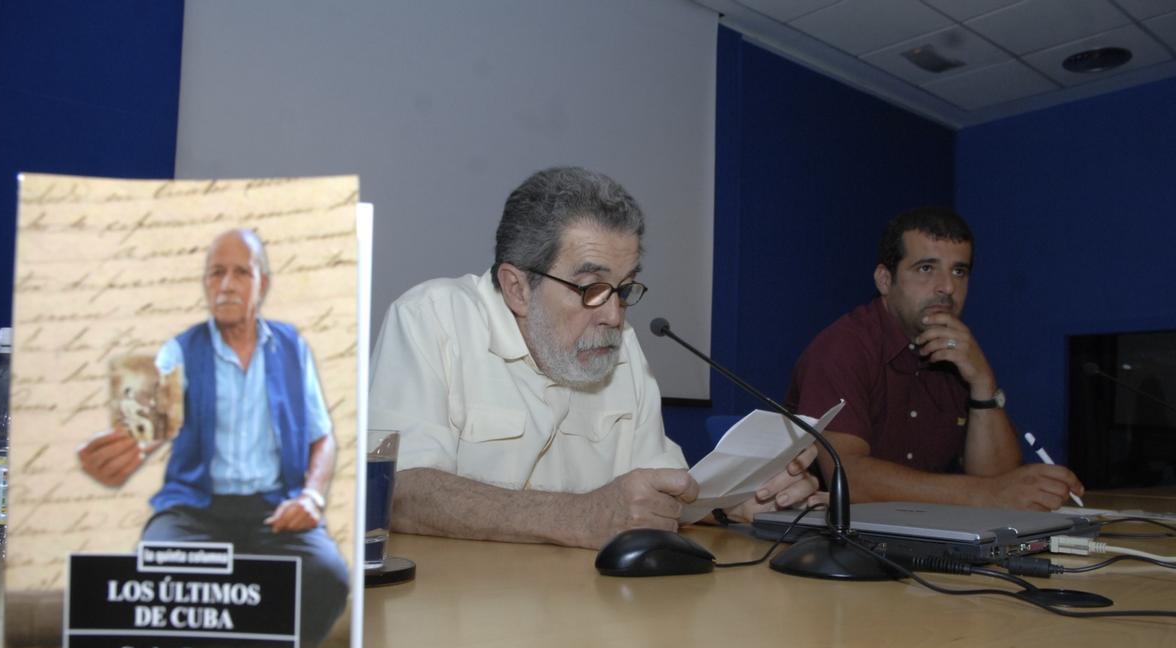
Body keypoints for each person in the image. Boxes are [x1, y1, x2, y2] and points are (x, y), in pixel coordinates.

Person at [368, 166, 820, 549]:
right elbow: (399, 492)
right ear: (517, 288)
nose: (614, 313)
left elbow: (655, 494)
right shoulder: (432, 317)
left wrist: (732, 505)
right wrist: (580, 516)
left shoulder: (621, 344)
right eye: (591, 288)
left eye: (624, 288)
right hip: (459, 620)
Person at [78, 228, 349, 648]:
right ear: (205, 284)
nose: (226, 284)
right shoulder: (178, 350)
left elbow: (323, 436)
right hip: (196, 507)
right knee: (162, 561)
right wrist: (125, 450)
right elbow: (147, 429)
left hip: (274, 507)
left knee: (327, 576)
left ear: (262, 284)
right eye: (216, 273)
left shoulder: (292, 347)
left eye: (241, 272)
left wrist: (313, 498)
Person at [786, 206, 1083, 511]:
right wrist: (984, 494)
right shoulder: (844, 347)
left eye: (959, 271)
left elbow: (1001, 482)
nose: (947, 287)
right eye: (926, 268)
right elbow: (848, 476)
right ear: (885, 280)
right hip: (830, 543)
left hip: (927, 536)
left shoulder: (959, 352)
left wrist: (983, 382)